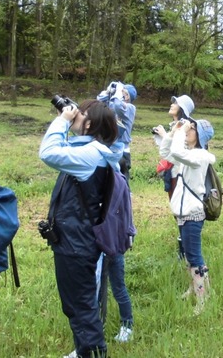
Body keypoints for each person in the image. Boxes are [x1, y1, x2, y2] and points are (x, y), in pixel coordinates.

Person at [39, 100, 122, 358]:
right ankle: (82, 351)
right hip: (75, 239)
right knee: (77, 305)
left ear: (90, 123)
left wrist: (63, 120)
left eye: (81, 113)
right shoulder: (91, 150)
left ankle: (94, 353)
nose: (75, 114)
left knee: (82, 308)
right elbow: (61, 148)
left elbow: (49, 152)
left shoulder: (91, 154)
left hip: (76, 243)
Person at [155, 116, 215, 315]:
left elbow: (176, 151)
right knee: (189, 256)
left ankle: (202, 298)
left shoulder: (200, 156)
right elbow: (166, 153)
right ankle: (195, 288)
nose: (188, 130)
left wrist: (180, 132)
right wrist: (173, 133)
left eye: (192, 129)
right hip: (182, 212)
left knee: (195, 256)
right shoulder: (188, 154)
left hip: (193, 213)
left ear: (200, 136)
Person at [96, 81, 137, 343]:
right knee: (98, 286)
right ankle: (95, 325)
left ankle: (127, 324)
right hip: (100, 233)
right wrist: (106, 93)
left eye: (124, 94)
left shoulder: (128, 109)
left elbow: (114, 106)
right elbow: (99, 106)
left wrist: (116, 93)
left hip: (115, 237)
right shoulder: (97, 161)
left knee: (118, 285)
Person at [153, 94, 194, 260]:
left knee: (181, 210)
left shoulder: (186, 127)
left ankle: (184, 250)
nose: (172, 104)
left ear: (182, 108)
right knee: (177, 209)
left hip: (180, 174)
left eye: (176, 103)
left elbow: (181, 151)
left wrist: (165, 136)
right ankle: (183, 246)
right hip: (173, 172)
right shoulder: (176, 125)